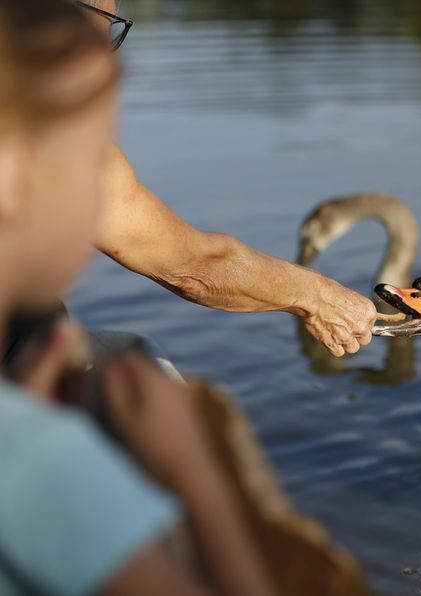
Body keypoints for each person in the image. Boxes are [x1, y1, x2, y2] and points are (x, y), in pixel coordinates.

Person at [0, 1, 277, 593]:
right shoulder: (29, 462)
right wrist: (193, 476)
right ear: (12, 174)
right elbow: (196, 268)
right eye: (92, 157)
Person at [35, 0, 378, 359]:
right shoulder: (52, 139)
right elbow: (192, 267)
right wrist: (315, 297)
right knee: (145, 374)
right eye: (105, 31)